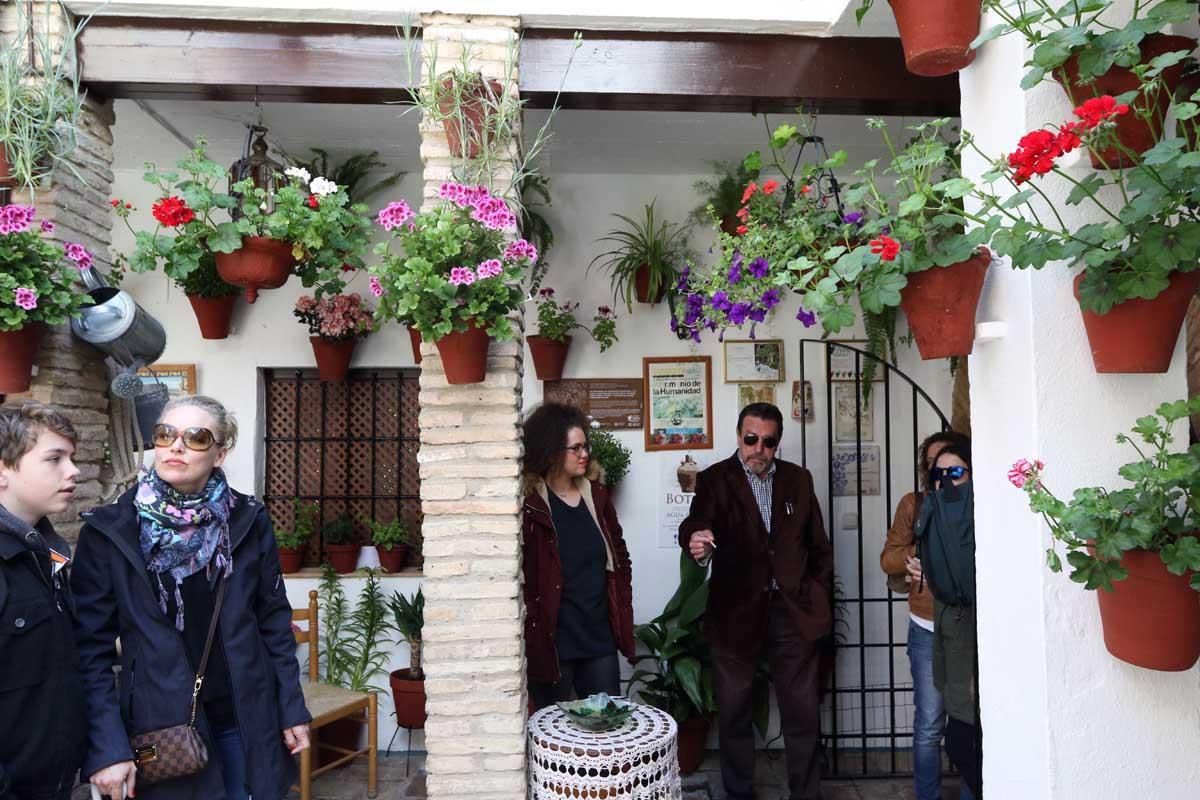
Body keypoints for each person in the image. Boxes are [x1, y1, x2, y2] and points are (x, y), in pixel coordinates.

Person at [72, 395, 311, 800]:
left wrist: (291, 707)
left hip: (245, 717)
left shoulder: (248, 520)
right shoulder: (111, 531)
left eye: (196, 437)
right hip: (160, 725)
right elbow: (87, 651)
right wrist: (107, 746)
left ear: (220, 453)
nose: (176, 446)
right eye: (165, 434)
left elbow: (273, 621)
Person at [680, 402, 833, 800]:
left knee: (802, 713)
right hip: (735, 613)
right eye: (751, 439)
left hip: (791, 612)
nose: (758, 449)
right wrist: (696, 539)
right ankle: (739, 794)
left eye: (768, 441)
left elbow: (818, 546)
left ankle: (806, 795)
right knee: (733, 714)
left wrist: (814, 590)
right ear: (738, 436)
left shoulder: (798, 480)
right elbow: (697, 522)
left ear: (777, 443)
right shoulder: (715, 479)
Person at [521, 403, 635, 710]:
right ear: (552, 451)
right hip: (554, 642)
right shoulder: (531, 504)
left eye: (586, 446)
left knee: (607, 733)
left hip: (598, 638)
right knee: (551, 737)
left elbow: (619, 553)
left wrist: (621, 599)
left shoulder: (595, 496)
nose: (584, 454)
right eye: (576, 448)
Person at [880, 431, 975, 800]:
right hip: (926, 624)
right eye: (936, 469)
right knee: (929, 723)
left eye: (954, 469)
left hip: (969, 626)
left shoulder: (979, 504)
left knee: (971, 721)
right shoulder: (914, 504)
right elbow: (888, 557)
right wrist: (916, 561)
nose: (943, 476)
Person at [0, 401, 86, 800]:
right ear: (3, 468)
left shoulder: (46, 556)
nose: (74, 471)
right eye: (55, 459)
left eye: (72, 458)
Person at [914, 440, 982, 799]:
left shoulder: (979, 512)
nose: (948, 482)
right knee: (949, 734)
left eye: (956, 473)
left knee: (969, 740)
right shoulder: (927, 509)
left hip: (974, 636)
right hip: (941, 630)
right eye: (939, 474)